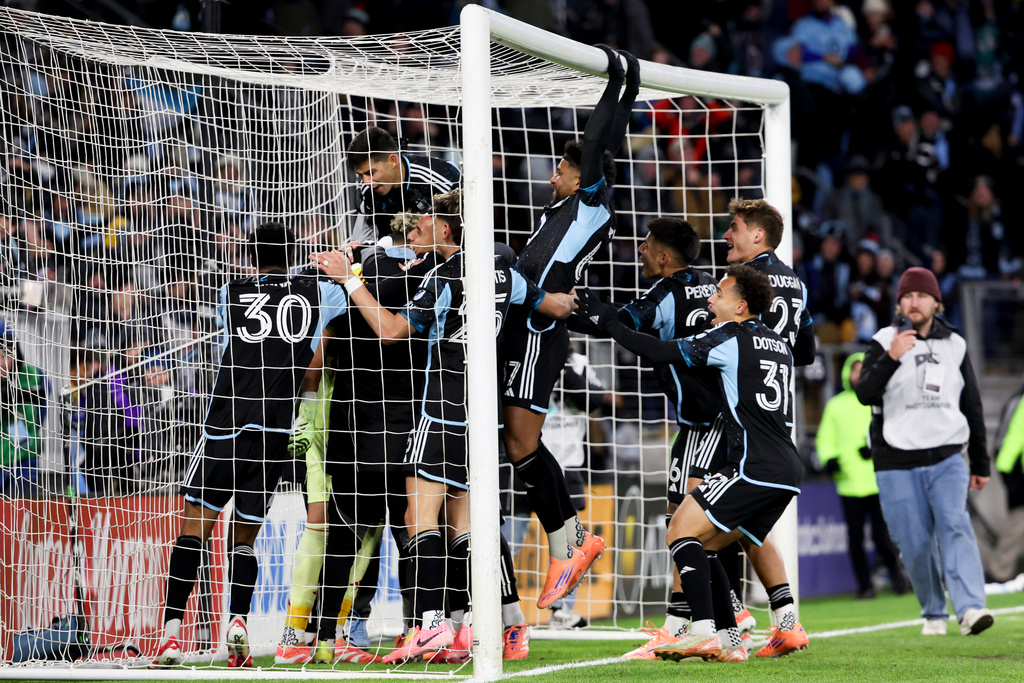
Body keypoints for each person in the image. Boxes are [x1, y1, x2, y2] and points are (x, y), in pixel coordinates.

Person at [311, 189, 576, 664]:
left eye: (425, 221)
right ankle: (472, 624)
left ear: (447, 228)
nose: (417, 228)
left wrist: (349, 280)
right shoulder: (502, 273)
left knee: (420, 518)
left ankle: (431, 625)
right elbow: (554, 307)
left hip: (441, 408)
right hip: (485, 414)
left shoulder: (445, 275)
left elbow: (391, 332)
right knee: (467, 522)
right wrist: (575, 297)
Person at [576, 265, 806, 663]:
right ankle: (732, 641)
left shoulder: (730, 337)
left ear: (741, 305)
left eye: (719, 292)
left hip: (752, 465)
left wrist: (610, 320)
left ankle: (700, 631)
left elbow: (660, 351)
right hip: (787, 468)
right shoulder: (779, 345)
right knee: (709, 546)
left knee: (680, 529)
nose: (711, 298)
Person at [152, 222, 351, 668]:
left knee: (193, 532)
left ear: (250, 255)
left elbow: (260, 299)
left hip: (224, 426)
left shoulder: (229, 293)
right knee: (244, 540)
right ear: (294, 251)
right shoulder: (319, 294)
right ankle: (237, 623)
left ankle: (168, 638)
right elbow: (344, 290)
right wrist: (341, 260)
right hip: (272, 434)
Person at [502, 45, 639, 610]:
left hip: (539, 339)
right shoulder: (551, 215)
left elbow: (599, 143)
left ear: (581, 175)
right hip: (520, 332)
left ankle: (572, 541)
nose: (553, 174)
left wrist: (619, 85)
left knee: (521, 443)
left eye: (561, 167)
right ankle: (571, 541)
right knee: (513, 446)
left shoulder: (590, 206)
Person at [855, 267, 994, 637]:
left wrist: (981, 462)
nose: (913, 302)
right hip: (895, 459)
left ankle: (970, 609)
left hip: (948, 455)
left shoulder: (956, 344)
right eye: (907, 295)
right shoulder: (884, 340)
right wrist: (893, 357)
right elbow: (865, 393)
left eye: (921, 295)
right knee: (913, 544)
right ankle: (934, 610)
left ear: (937, 301)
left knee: (955, 525)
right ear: (899, 302)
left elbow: (972, 405)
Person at [816, 352, 906, 600]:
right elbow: (825, 438)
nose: (857, 374)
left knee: (881, 537)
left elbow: (892, 431)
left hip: (876, 481)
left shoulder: (878, 401)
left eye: (862, 369)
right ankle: (865, 586)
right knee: (854, 540)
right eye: (854, 370)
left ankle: (898, 577)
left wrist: (875, 449)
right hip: (848, 482)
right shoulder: (836, 405)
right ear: (847, 373)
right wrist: (829, 459)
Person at [346, 126, 461, 243]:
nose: (366, 181)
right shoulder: (367, 190)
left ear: (393, 160)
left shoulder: (442, 178)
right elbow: (363, 238)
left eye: (371, 172)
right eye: (361, 175)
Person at [0, 324, 44, 495]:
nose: (3, 363)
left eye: (6, 355)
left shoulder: (34, 377)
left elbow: (41, 417)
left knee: (25, 518)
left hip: (25, 464)